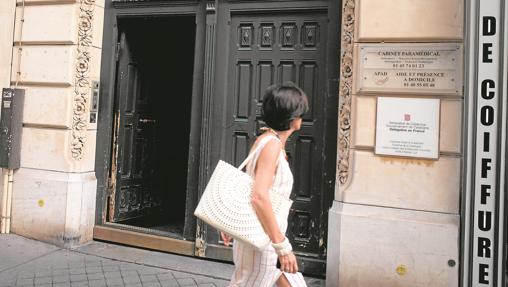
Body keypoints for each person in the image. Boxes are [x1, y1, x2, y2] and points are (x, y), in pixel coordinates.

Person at [221, 82, 309, 287]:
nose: (303, 116)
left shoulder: (267, 139)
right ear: (292, 116)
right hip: (262, 240)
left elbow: (248, 185)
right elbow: (259, 195)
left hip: (267, 235)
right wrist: (282, 246)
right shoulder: (271, 145)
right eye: (301, 111)